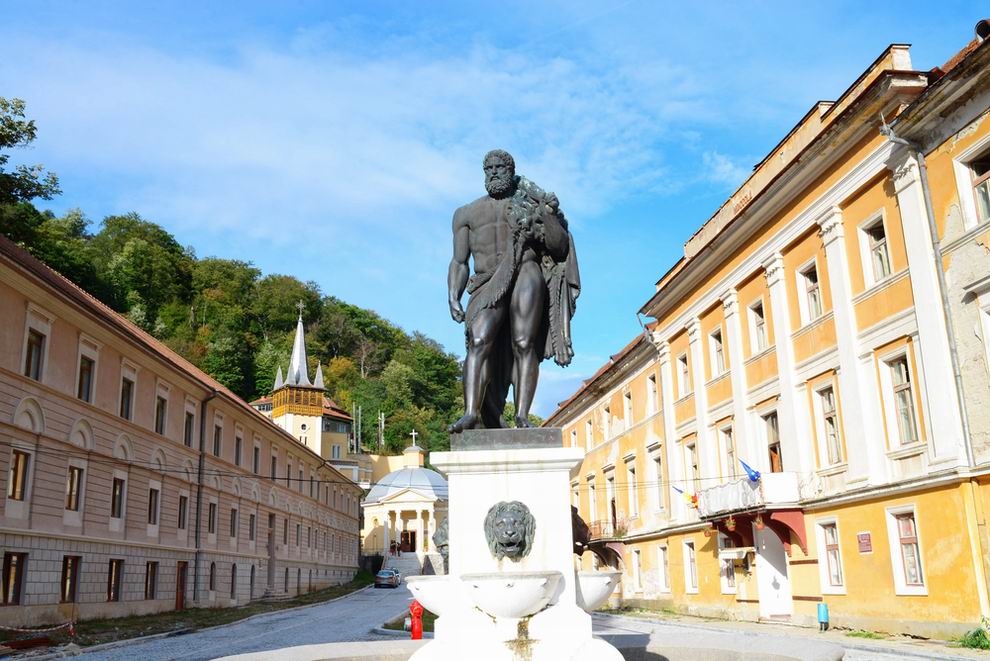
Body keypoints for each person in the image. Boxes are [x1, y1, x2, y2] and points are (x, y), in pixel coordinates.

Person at [447, 150, 580, 432]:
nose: (494, 172)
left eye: (500, 167)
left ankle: (522, 416)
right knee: (479, 339)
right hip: (486, 282)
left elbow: (558, 247)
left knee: (523, 343)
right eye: (489, 168)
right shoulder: (465, 214)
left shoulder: (529, 204)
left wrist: (550, 214)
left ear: (511, 171)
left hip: (525, 271)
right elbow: (459, 262)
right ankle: (471, 412)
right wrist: (453, 296)